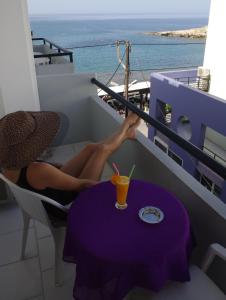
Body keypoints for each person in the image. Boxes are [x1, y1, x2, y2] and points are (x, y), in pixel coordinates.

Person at [0, 110, 140, 222]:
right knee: (103, 151)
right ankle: (126, 126)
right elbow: (83, 185)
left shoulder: (8, 165)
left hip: (52, 191)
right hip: (70, 206)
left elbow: (54, 171)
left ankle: (126, 132)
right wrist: (111, 185)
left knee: (90, 148)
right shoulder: (38, 170)